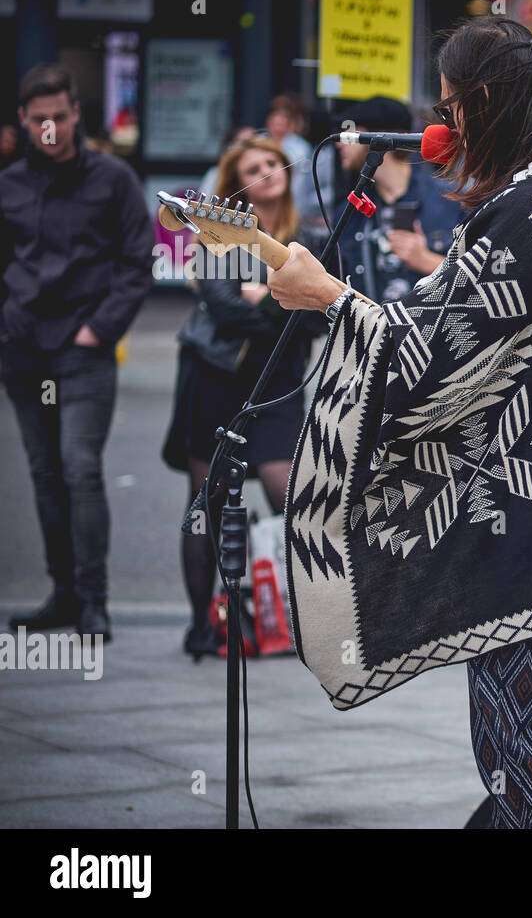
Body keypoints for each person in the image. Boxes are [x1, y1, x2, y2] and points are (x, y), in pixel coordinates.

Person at [264, 15, 532, 828]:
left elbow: (426, 363)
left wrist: (330, 300)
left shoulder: (526, 208)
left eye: (451, 108)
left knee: (516, 735)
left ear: (486, 101)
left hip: (531, 528)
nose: (444, 127)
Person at [2, 64, 154, 640]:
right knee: (44, 475)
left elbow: (137, 261)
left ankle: (94, 601)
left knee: (80, 468)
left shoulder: (112, 179)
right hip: (23, 348)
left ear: (74, 114)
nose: (49, 128)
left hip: (85, 347)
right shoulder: (10, 184)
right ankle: (62, 595)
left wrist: (99, 330)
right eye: (38, 119)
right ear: (23, 118)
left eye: (59, 117)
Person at [162, 135, 328, 658]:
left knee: (287, 497)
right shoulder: (214, 234)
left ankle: (296, 623)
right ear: (239, 181)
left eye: (273, 162)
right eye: (254, 166)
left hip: (277, 382)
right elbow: (226, 310)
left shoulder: (309, 239)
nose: (267, 170)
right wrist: (283, 297)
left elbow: (321, 312)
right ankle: (200, 624)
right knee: (207, 500)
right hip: (214, 377)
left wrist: (264, 294)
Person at [333, 96, 463, 303]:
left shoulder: (451, 199)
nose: (341, 144)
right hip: (372, 331)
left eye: (350, 133)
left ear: (375, 137)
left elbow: (480, 281)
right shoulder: (348, 211)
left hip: (430, 330)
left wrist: (425, 260)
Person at [266, 93, 331, 223]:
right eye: (275, 116)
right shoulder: (258, 143)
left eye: (286, 117)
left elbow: (305, 191)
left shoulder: (300, 150)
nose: (279, 122)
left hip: (292, 217)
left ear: (295, 123)